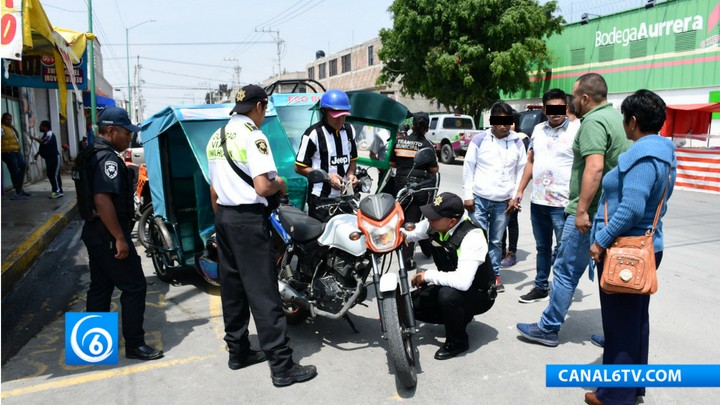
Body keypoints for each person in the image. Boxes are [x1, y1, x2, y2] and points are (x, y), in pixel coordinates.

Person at [206, 84, 316, 387]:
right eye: (264, 110)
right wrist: (280, 183)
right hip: (247, 221)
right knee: (264, 293)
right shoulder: (253, 137)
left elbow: (214, 191)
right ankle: (282, 367)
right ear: (260, 106)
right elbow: (262, 187)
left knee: (233, 289)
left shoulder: (217, 137)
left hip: (224, 219)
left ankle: (238, 352)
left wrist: (223, 219)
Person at [516, 73, 632, 347]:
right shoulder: (616, 118)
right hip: (610, 210)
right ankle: (617, 334)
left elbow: (594, 167)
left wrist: (580, 211)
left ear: (584, 98)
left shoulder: (592, 122)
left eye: (573, 96)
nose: (571, 103)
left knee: (566, 270)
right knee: (610, 274)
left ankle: (548, 328)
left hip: (589, 212)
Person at [584, 90, 676, 405]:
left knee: (620, 326)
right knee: (635, 323)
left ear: (633, 121)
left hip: (625, 250)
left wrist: (601, 240)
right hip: (644, 247)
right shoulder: (664, 151)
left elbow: (631, 208)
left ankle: (614, 396)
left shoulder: (643, 156)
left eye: (624, 119)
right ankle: (632, 387)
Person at [81, 106, 163, 361]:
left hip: (94, 233)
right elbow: (102, 200)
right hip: (108, 235)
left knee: (100, 288)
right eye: (126, 132)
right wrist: (119, 238)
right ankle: (135, 345)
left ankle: (92, 349)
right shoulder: (107, 160)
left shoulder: (89, 153)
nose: (130, 137)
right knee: (135, 287)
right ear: (111, 130)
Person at [405, 192, 496, 360]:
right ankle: (457, 316)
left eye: (435, 217)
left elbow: (462, 282)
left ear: (452, 221)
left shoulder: (472, 237)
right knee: (408, 305)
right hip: (451, 283)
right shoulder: (435, 223)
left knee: (447, 296)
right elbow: (410, 233)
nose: (430, 220)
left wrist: (427, 275)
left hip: (478, 293)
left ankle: (458, 341)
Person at [511, 89, 580, 303]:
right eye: (551, 108)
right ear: (544, 109)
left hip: (563, 203)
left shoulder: (578, 129)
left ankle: (560, 289)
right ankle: (541, 286)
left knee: (563, 249)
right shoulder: (538, 130)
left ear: (566, 107)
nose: (555, 113)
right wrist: (520, 190)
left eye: (560, 108)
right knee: (542, 247)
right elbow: (530, 162)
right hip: (538, 201)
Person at [463, 102, 527, 293]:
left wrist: (515, 197)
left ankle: (494, 276)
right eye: (500, 120)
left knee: (496, 241)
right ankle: (477, 275)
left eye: (507, 121)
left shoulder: (517, 142)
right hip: (480, 200)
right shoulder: (480, 140)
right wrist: (468, 195)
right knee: (478, 239)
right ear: (492, 120)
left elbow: (521, 171)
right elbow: (468, 167)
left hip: (504, 203)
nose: (504, 125)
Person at [295, 89, 358, 222]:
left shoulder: (349, 130)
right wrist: (326, 177)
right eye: (336, 115)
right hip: (321, 201)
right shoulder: (313, 133)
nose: (341, 119)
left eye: (344, 115)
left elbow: (352, 160)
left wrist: (351, 174)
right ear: (324, 111)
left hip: (346, 198)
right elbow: (299, 167)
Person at [389, 111, 439, 269]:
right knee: (412, 222)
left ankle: (395, 245)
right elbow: (434, 169)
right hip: (419, 189)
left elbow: (392, 164)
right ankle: (407, 259)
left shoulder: (399, 141)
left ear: (412, 125)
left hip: (399, 187)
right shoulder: (427, 145)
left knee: (400, 219)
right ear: (427, 127)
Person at [500, 111, 531, 268]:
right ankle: (501, 250)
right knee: (500, 221)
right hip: (498, 189)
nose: (506, 125)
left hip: (514, 188)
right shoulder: (496, 139)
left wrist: (518, 191)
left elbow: (523, 166)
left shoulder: (521, 139)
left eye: (509, 122)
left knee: (511, 220)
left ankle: (511, 252)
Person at [31, 120, 63, 198]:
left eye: (41, 126)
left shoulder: (50, 134)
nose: (39, 127)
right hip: (49, 158)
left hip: (54, 157)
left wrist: (34, 138)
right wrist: (38, 154)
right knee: (51, 174)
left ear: (45, 126)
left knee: (54, 175)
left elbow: (44, 142)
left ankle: (57, 191)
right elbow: (44, 146)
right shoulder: (46, 134)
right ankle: (56, 190)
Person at [2, 112, 30, 200]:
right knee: (14, 170)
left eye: (10, 119)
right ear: (3, 119)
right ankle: (18, 190)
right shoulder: (1, 128)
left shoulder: (12, 128)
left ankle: (20, 188)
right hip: (8, 152)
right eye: (7, 119)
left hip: (16, 151)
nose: (9, 121)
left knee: (24, 166)